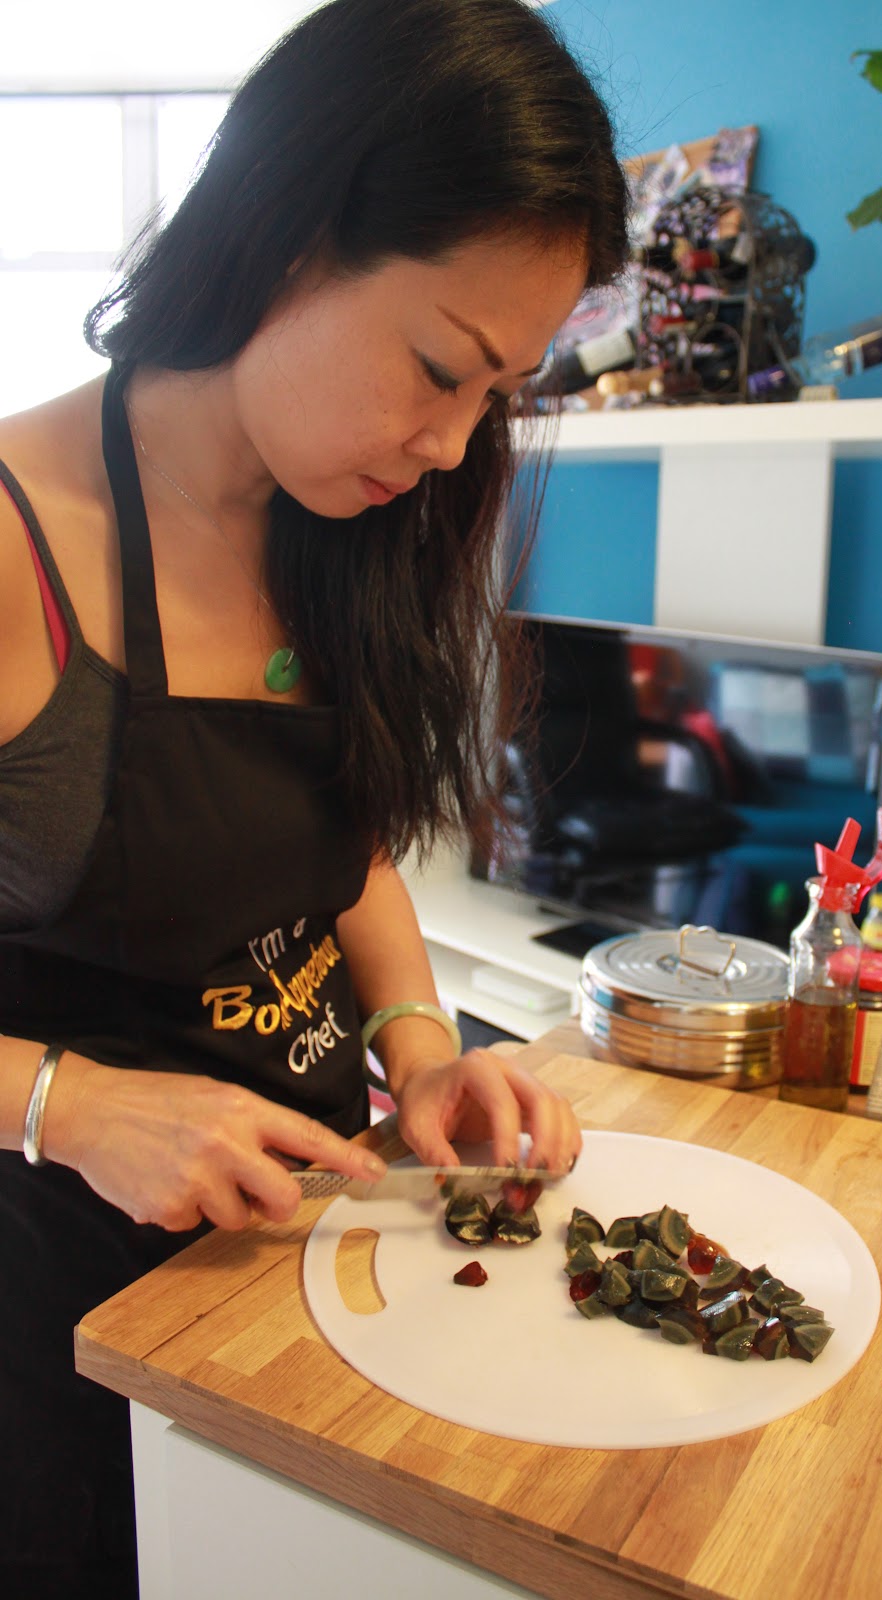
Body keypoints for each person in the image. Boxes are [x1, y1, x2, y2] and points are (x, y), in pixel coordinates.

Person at [0, 0, 630, 1591]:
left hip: (289, 1273)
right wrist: (68, 1106)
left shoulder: (340, 526)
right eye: (436, 364)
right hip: (49, 1319)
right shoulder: (18, 546)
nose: (448, 443)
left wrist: (425, 1052)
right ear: (286, 237)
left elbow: (340, 869)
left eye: (496, 389)